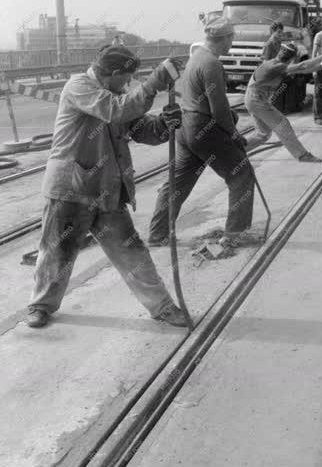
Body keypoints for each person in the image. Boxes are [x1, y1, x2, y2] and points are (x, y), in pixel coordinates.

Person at [26, 45, 187, 329]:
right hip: (70, 188)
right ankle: (41, 305)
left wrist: (164, 123)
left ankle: (162, 306)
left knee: (132, 251)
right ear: (112, 74)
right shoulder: (79, 87)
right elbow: (114, 111)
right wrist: (154, 82)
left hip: (107, 190)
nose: (128, 84)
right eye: (126, 78)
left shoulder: (119, 95)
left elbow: (143, 130)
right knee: (57, 251)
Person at [148, 17, 257, 254]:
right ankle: (234, 235)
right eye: (231, 38)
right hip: (203, 128)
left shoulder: (196, 57)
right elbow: (219, 109)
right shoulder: (212, 64)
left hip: (185, 128)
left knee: (178, 182)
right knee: (242, 175)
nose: (232, 42)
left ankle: (157, 235)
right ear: (225, 38)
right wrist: (234, 135)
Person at [245, 41, 322, 161]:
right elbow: (301, 66)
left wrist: (321, 66)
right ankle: (302, 155)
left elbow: (299, 70)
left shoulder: (274, 64)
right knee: (282, 124)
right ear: (291, 58)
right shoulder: (275, 66)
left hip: (253, 99)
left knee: (263, 134)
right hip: (257, 100)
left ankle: (236, 151)